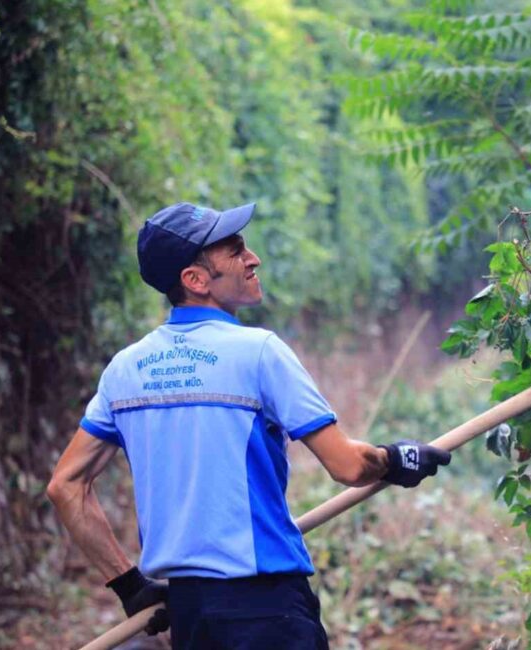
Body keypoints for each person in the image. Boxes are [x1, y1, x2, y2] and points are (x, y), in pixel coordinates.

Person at [46, 202, 450, 649]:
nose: (252, 257)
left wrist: (128, 585)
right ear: (195, 280)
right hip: (267, 609)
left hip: (191, 617)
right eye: (235, 250)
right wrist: (398, 458)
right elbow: (349, 467)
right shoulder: (259, 353)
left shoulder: (125, 371)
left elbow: (65, 486)